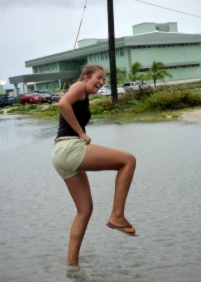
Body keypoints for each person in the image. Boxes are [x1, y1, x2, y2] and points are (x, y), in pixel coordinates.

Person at [52, 63, 137, 266]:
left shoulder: (82, 93)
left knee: (85, 210)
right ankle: (117, 216)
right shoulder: (79, 86)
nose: (101, 82)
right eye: (99, 77)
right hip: (70, 148)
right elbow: (62, 104)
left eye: (103, 80)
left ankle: (72, 266)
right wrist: (81, 134)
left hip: (59, 156)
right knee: (128, 160)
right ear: (87, 76)